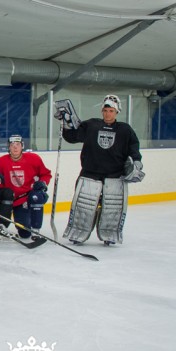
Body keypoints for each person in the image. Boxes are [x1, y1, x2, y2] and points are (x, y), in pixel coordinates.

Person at [56, 94, 144, 245]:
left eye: (111, 111)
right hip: (90, 173)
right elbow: (72, 137)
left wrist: (136, 162)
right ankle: (77, 232)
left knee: (112, 209)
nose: (107, 114)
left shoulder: (125, 130)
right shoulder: (92, 125)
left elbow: (133, 149)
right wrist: (66, 122)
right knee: (83, 207)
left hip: (115, 175)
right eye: (105, 110)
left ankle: (109, 234)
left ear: (117, 112)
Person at [0, 134, 52, 239]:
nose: (15, 147)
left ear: (22, 146)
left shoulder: (33, 158)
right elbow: (0, 183)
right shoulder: (1, 162)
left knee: (36, 196)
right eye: (12, 145)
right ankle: (2, 225)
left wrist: (43, 183)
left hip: (27, 198)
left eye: (18, 144)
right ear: (8, 147)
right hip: (12, 199)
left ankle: (36, 230)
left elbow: (46, 174)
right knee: (24, 233)